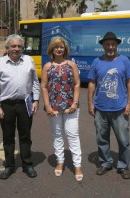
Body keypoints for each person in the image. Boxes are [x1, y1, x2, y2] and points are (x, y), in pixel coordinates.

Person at [0, 34, 40, 180]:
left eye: (19, 46)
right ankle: (9, 166)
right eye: (13, 46)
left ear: (23, 48)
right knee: (8, 136)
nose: (16, 49)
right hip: (6, 105)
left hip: (26, 103)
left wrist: (36, 100)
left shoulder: (28, 60)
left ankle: (27, 164)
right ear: (7, 48)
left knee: (25, 136)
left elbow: (35, 82)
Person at [87, 31, 130, 179]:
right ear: (103, 46)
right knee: (102, 139)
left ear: (117, 45)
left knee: (123, 140)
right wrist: (90, 103)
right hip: (100, 109)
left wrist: (129, 104)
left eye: (113, 44)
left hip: (120, 109)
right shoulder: (96, 62)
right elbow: (92, 83)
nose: (110, 46)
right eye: (107, 44)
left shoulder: (124, 60)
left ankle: (123, 165)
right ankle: (105, 162)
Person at [41, 36, 84, 182]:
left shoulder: (71, 65)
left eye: (61, 47)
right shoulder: (47, 66)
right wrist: (47, 106)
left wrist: (75, 103)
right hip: (53, 108)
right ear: (52, 49)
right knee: (57, 135)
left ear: (65, 49)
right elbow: (44, 87)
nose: (59, 49)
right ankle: (60, 162)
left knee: (73, 135)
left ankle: (77, 165)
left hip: (70, 107)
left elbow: (77, 84)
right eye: (56, 47)